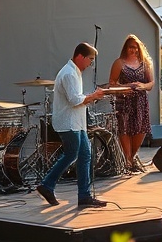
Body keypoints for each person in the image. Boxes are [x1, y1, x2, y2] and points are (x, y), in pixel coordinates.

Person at [37, 42, 108, 208]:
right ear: (80, 57)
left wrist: (93, 96)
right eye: (90, 59)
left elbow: (78, 98)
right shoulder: (69, 73)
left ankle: (84, 196)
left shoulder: (75, 72)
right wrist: (94, 95)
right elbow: (74, 100)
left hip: (77, 123)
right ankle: (47, 185)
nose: (91, 63)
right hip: (68, 123)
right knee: (72, 154)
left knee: (85, 155)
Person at [108, 34, 154, 173]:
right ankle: (127, 161)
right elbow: (111, 83)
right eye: (130, 47)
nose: (133, 50)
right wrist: (127, 86)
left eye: (135, 47)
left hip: (140, 101)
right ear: (126, 48)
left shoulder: (144, 63)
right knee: (125, 129)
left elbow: (151, 83)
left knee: (140, 129)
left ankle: (131, 158)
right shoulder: (119, 63)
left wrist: (142, 86)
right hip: (124, 100)